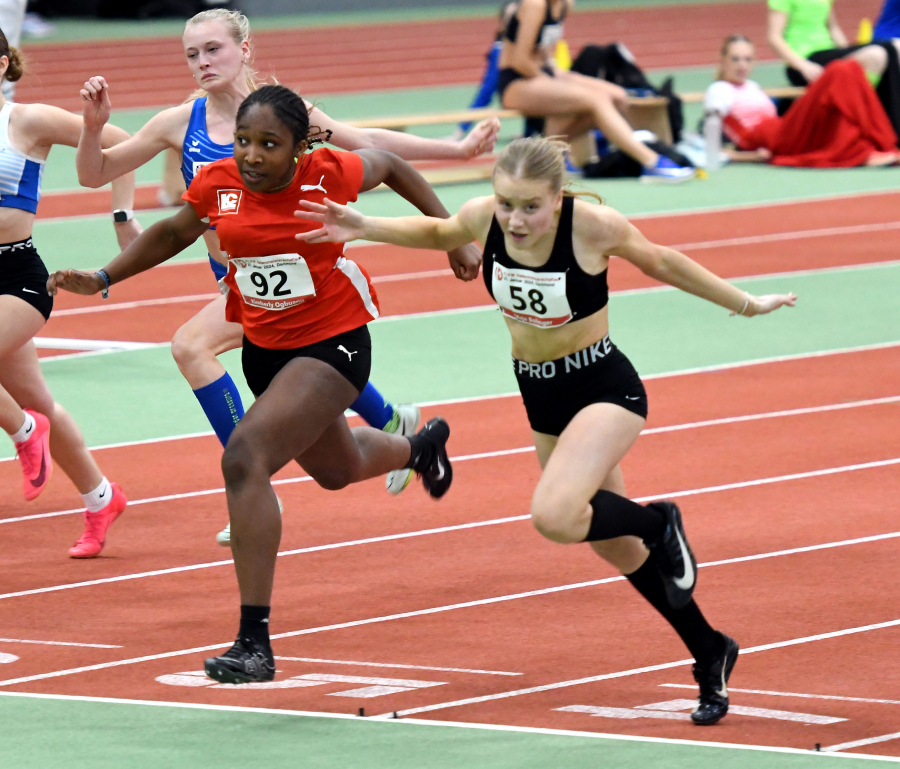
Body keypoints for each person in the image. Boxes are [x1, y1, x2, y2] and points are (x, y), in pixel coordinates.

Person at [294, 136, 798, 725]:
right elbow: (440, 233)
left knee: (555, 515)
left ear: (558, 199)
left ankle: (662, 522)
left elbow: (662, 261)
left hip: (605, 387)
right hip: (541, 394)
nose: (516, 219)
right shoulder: (486, 218)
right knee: (610, 540)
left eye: (530, 206)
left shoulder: (593, 227)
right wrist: (361, 224)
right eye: (506, 203)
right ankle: (710, 650)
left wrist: (745, 303)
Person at [49, 84, 458, 683]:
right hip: (265, 349)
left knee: (244, 458)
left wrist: (454, 236)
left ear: (299, 148)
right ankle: (420, 446)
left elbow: (392, 164)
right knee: (336, 469)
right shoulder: (218, 182)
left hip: (335, 342)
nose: (252, 155)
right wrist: (104, 276)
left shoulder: (328, 174)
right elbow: (173, 232)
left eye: (269, 144)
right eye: (243, 141)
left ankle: (254, 642)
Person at [75, 9, 500, 544]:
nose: (202, 63)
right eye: (191, 54)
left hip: (304, 275)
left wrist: (457, 151)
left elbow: (367, 143)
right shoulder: (179, 122)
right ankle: (396, 424)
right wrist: (92, 131)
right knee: (319, 428)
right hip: (237, 281)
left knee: (193, 348)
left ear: (244, 49)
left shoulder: (285, 115)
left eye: (213, 49)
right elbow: (95, 174)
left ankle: (253, 478)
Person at [0, 27, 140, 558]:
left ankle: (20, 430)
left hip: (17, 277)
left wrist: (122, 214)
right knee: (40, 402)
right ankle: (101, 497)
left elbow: (119, 140)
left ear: (1, 64)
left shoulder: (26, 120)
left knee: (29, 416)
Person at [496, 0, 694, 181]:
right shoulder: (535, 5)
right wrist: (558, 83)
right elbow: (520, 61)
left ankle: (550, 151)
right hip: (516, 82)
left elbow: (545, 52)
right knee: (596, 100)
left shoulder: (565, 4)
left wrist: (562, 77)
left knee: (618, 96)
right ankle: (651, 161)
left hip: (544, 73)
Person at [706, 35, 899, 166]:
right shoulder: (718, 90)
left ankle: (867, 149)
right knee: (840, 71)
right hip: (775, 139)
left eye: (747, 59)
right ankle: (876, 146)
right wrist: (749, 157)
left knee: (844, 82)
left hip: (784, 128)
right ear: (722, 60)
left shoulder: (753, 86)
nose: (742, 65)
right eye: (735, 59)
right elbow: (711, 146)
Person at [767, 0, 900, 134]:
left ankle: (888, 128)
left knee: (893, 48)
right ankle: (891, 131)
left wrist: (849, 51)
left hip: (828, 54)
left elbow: (833, 28)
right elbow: (774, 37)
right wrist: (803, 66)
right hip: (805, 62)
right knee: (879, 52)